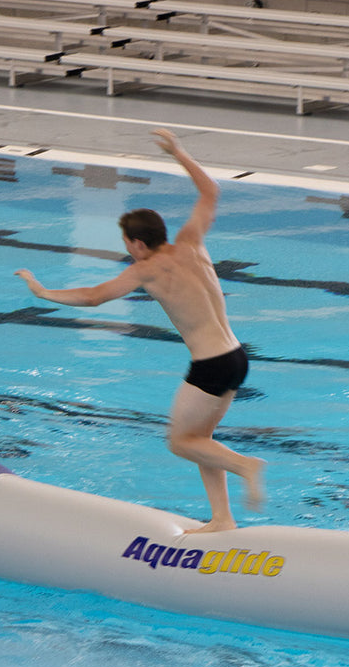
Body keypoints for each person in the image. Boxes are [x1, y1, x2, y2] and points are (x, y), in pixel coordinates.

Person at [15, 129, 264, 533]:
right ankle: (222, 518)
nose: (129, 250)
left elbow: (94, 297)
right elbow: (211, 192)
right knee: (202, 437)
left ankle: (246, 466)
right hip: (236, 356)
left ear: (138, 243)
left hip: (210, 364)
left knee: (180, 442)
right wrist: (179, 153)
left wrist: (43, 292)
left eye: (128, 243)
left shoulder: (146, 270)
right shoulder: (192, 243)